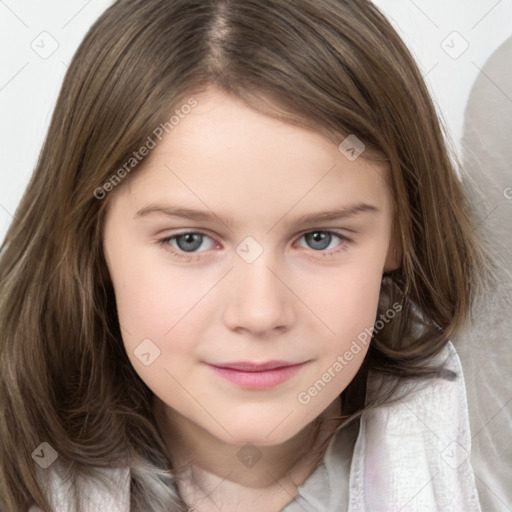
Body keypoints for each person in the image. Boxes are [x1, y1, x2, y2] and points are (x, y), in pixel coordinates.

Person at [0, 0, 492, 510]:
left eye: (320, 238)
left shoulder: (486, 457)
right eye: (189, 240)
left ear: (400, 236)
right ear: (91, 243)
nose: (260, 313)